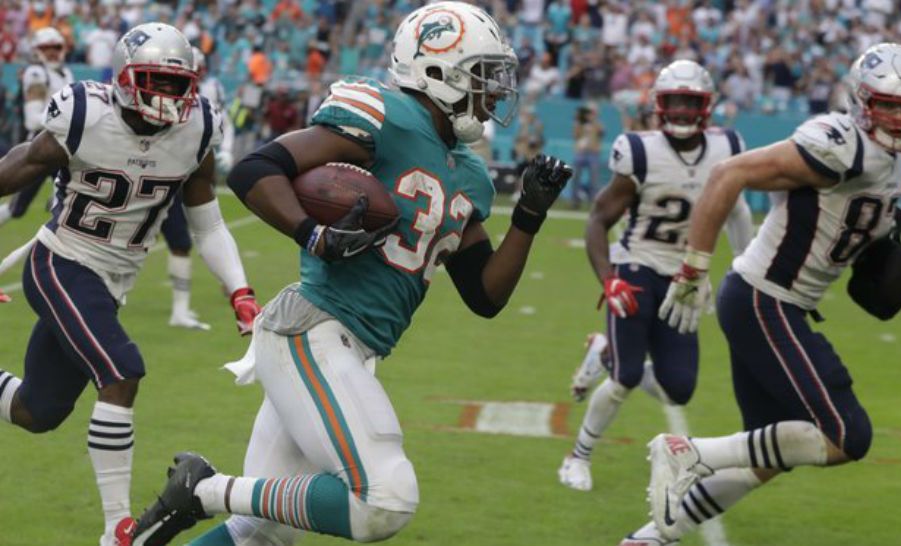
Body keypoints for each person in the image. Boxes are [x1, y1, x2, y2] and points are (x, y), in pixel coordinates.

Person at [125, 3, 572, 545]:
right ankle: (202, 490)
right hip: (313, 331)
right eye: (484, 75)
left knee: (260, 534)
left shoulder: (471, 173)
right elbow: (256, 169)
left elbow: (484, 294)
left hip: (350, 347)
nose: (496, 92)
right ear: (439, 70)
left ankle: (201, 501)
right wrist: (312, 234)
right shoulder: (384, 113)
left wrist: (529, 214)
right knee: (386, 498)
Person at [622, 43, 901, 546]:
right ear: (861, 101)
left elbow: (874, 297)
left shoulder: (890, 170)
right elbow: (729, 174)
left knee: (773, 453)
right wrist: (693, 268)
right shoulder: (840, 143)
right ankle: (686, 450)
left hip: (774, 306)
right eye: (887, 105)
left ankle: (652, 536)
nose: (897, 119)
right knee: (849, 436)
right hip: (764, 301)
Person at [0, 23, 261, 546]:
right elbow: (12, 170)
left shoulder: (198, 128)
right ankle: (116, 529)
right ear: (123, 78)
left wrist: (240, 290)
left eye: (176, 83)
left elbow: (208, 221)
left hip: (114, 280)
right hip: (61, 263)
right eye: (153, 81)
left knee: (37, 410)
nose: (166, 96)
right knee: (122, 372)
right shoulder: (84, 116)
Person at [558, 60, 754, 492]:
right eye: (675, 102)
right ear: (659, 106)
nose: (683, 111)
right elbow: (598, 220)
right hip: (637, 267)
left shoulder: (728, 149)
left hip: (686, 278)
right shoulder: (640, 150)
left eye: (691, 102)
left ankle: (604, 353)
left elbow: (737, 210)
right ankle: (577, 456)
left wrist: (743, 266)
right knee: (627, 377)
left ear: (707, 107)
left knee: (678, 389)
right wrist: (609, 279)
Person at [160, 47, 237, 331]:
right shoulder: (165, 90)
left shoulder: (210, 90)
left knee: (200, 230)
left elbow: (224, 122)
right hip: (163, 169)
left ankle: (225, 288)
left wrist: (225, 151)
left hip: (191, 168)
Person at [0, 27, 74, 227]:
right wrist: (69, 121)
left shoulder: (65, 72)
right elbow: (33, 120)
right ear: (37, 49)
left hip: (61, 144)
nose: (51, 51)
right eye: (46, 47)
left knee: (70, 199)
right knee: (17, 208)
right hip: (41, 144)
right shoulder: (36, 72)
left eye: (55, 47)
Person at [571, 102, 605, 208]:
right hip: (581, 153)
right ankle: (575, 201)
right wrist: (579, 121)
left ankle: (593, 202)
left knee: (594, 179)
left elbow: (601, 132)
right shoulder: (579, 124)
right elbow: (575, 135)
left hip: (593, 153)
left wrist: (593, 120)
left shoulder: (598, 124)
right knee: (575, 177)